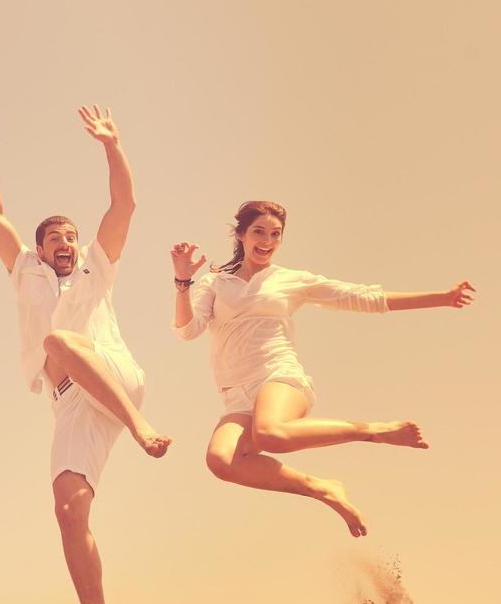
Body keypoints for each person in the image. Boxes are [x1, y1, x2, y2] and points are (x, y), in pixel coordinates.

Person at [0, 106, 169, 604]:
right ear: (39, 248)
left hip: (115, 379)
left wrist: (112, 144)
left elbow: (123, 206)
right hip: (71, 400)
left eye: (71, 236)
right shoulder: (24, 270)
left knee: (59, 337)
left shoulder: (95, 269)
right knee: (67, 507)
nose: (65, 241)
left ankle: (140, 425)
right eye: (55, 236)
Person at [171, 200, 475, 536]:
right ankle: (323, 488)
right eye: (259, 231)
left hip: (277, 376)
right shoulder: (216, 283)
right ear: (241, 234)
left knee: (270, 433)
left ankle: (374, 430)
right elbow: (187, 330)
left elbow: (363, 297)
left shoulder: (291, 280)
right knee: (221, 461)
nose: (267, 240)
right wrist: (183, 281)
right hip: (236, 395)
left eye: (276, 234)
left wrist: (441, 297)